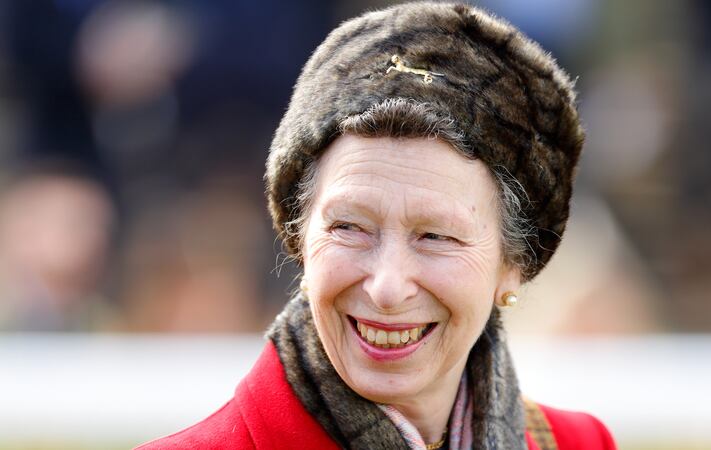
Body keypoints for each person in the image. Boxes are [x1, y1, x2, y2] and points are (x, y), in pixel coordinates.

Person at [137, 3, 616, 449]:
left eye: (435, 236)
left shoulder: (578, 442)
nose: (387, 287)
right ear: (300, 239)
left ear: (513, 264)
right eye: (350, 227)